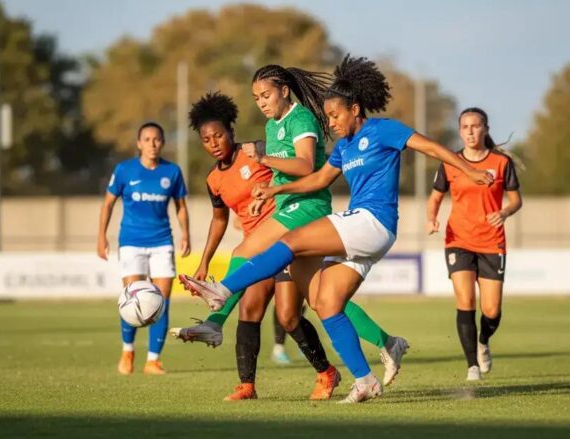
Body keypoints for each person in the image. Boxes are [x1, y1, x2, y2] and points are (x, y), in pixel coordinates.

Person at [181, 55, 493, 403]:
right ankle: (365, 379)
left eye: (335, 115)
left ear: (355, 109)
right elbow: (317, 178)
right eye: (327, 116)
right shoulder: (343, 148)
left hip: (374, 221)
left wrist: (468, 169)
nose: (330, 123)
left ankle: (223, 290)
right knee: (326, 303)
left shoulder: (383, 130)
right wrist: (275, 189)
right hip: (362, 228)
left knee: (293, 240)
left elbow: (431, 147)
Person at [173, 63, 410, 387]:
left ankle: (215, 319)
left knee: (246, 248)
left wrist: (263, 159)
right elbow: (278, 174)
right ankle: (388, 343)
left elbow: (302, 165)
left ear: (284, 91)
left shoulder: (302, 119)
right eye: (256, 98)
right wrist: (266, 193)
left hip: (308, 207)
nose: (262, 102)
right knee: (321, 299)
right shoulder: (272, 128)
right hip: (288, 206)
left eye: (266, 95)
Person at [174, 91, 339, 401]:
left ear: (230, 131)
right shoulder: (213, 181)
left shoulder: (258, 151)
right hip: (255, 248)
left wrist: (275, 195)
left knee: (289, 316)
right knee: (250, 309)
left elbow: (290, 169)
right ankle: (246, 386)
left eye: (218, 135)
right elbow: (219, 220)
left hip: (286, 236)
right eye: (206, 140)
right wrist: (205, 261)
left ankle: (327, 371)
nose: (213, 143)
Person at [427, 107, 523, 381]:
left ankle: (483, 341)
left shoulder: (502, 163)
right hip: (458, 239)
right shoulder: (451, 162)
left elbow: (516, 200)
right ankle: (472, 366)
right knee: (465, 299)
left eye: (475, 126)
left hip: (492, 242)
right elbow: (435, 197)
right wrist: (431, 219)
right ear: (460, 131)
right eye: (465, 127)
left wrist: (504, 212)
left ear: (486, 129)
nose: (470, 131)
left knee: (491, 310)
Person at [97, 122, 190, 375]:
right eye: (147, 139)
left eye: (157, 139)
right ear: (139, 143)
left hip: (162, 242)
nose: (152, 144)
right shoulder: (125, 170)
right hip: (131, 242)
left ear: (162, 143)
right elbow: (108, 204)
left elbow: (180, 206)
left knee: (161, 301)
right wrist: (101, 236)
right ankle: (128, 351)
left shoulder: (172, 172)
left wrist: (186, 235)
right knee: (132, 297)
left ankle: (153, 360)